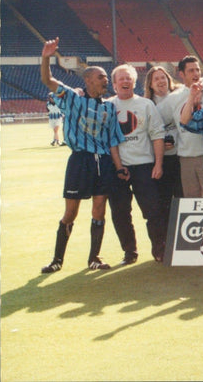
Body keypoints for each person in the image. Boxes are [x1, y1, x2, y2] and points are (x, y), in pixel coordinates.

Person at [39, 37, 125, 273]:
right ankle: (57, 260)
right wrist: (46, 56)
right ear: (87, 80)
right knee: (71, 212)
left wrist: (118, 167)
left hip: (103, 162)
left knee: (99, 209)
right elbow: (47, 80)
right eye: (101, 77)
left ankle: (94, 258)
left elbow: (113, 141)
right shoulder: (73, 98)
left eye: (107, 78)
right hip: (80, 160)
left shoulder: (109, 107)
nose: (105, 81)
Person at [108, 64, 167, 264]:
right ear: (114, 84)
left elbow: (158, 136)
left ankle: (159, 250)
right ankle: (130, 252)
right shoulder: (107, 106)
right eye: (121, 79)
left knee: (153, 211)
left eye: (129, 78)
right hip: (117, 168)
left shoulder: (145, 105)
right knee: (120, 212)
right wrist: (117, 167)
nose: (125, 82)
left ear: (134, 82)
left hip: (144, 165)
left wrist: (158, 164)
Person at [160, 56, 203, 197]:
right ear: (182, 74)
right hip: (186, 157)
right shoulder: (173, 98)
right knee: (191, 200)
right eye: (191, 71)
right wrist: (166, 139)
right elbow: (156, 121)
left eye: (198, 70)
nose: (196, 74)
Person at [144, 66, 183, 213]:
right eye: (156, 79)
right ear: (150, 84)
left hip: (181, 156)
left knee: (182, 198)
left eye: (163, 77)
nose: (161, 81)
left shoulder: (180, 95)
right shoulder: (147, 104)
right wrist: (159, 144)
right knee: (164, 201)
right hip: (160, 160)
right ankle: (166, 234)